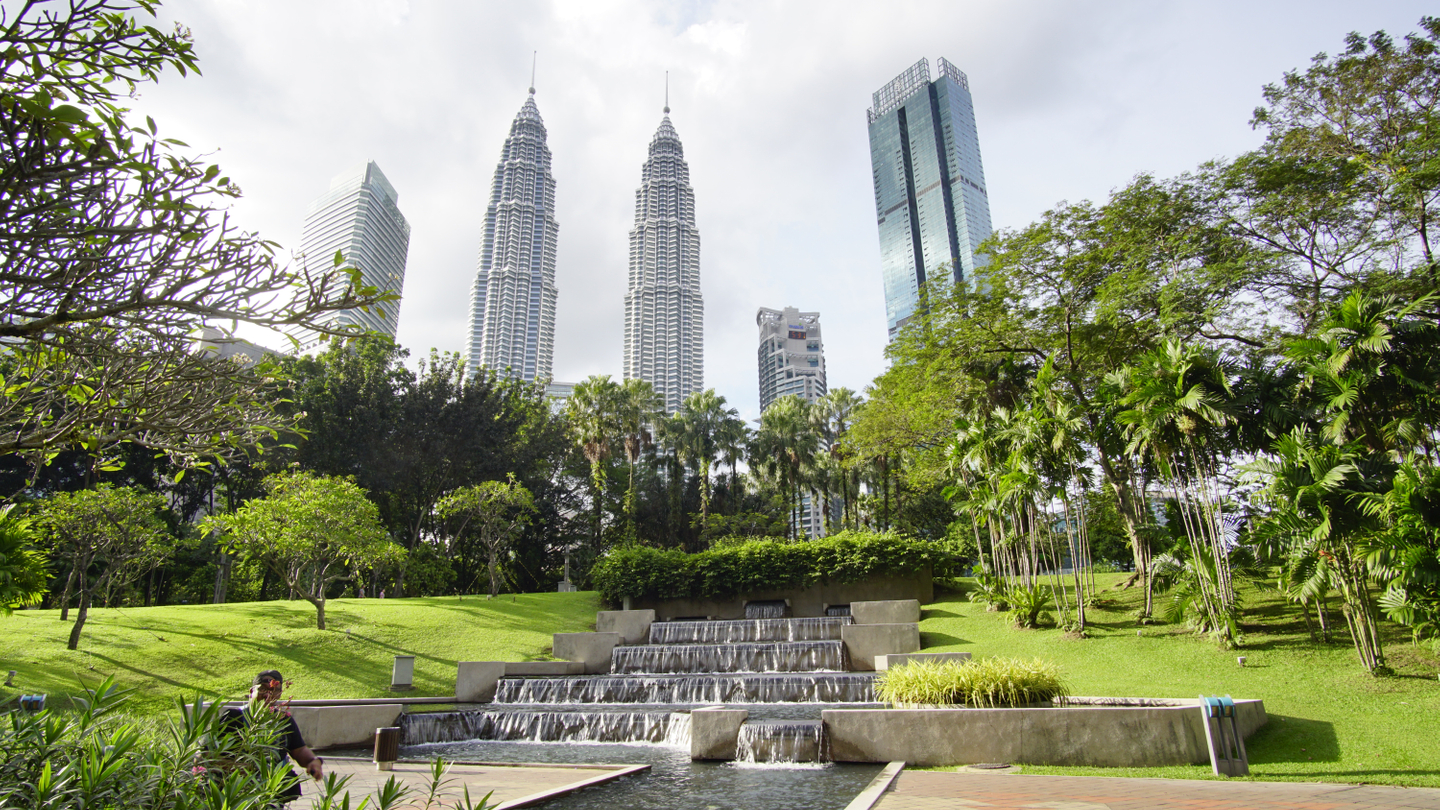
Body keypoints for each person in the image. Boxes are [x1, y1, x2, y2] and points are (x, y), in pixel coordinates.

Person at [221, 670, 324, 805]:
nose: (268, 695)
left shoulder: (283, 720)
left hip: (271, 794)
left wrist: (314, 761)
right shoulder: (233, 717)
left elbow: (299, 750)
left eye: (274, 691)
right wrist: (239, 767)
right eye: (263, 689)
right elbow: (209, 755)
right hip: (237, 792)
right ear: (252, 691)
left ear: (279, 694)